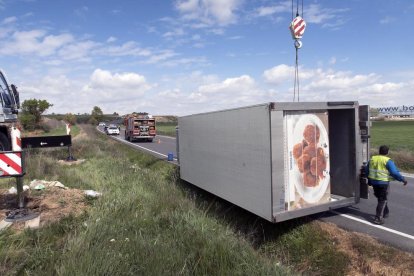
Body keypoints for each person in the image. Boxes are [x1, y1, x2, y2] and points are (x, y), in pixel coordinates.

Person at [366, 145, 408, 225]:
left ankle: (385, 212)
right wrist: (403, 179)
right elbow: (394, 173)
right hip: (383, 183)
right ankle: (378, 218)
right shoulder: (388, 161)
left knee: (381, 199)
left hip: (374, 183)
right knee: (382, 200)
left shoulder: (372, 159)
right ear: (387, 152)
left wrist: (369, 179)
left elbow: (367, 170)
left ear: (379, 151)